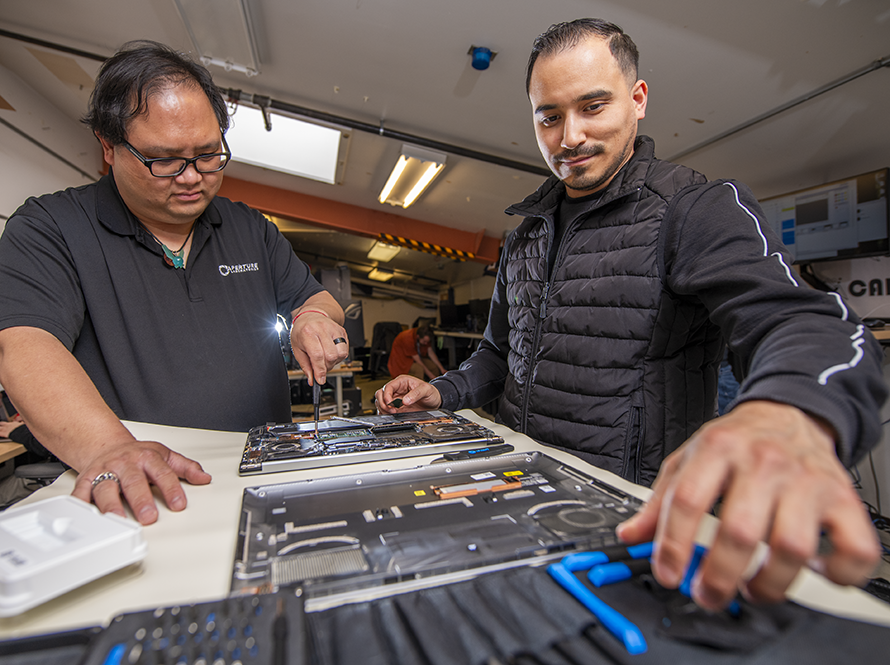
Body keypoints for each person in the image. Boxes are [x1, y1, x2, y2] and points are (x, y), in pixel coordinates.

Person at [377, 19, 887, 610]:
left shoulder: (696, 209)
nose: (570, 136)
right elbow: (498, 354)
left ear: (638, 100)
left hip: (633, 526)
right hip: (521, 496)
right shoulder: (524, 238)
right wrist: (440, 392)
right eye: (549, 117)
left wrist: (787, 410)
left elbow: (807, 322)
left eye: (593, 106)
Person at [0, 41, 349, 525]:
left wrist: (313, 318)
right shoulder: (49, 228)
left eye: (208, 154)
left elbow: (317, 298)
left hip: (261, 476)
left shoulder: (250, 228)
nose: (192, 178)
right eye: (165, 160)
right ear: (108, 145)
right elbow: (25, 347)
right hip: (136, 486)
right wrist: (112, 450)